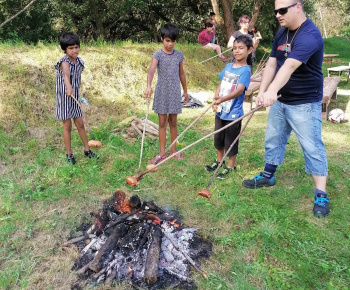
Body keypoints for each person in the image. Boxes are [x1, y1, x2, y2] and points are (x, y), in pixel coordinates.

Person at [242, 0, 329, 218]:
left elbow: (289, 65)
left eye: (282, 10)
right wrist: (263, 91)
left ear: (298, 6)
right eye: (275, 11)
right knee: (274, 138)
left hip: (305, 102)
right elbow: (272, 64)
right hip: (282, 99)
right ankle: (268, 175)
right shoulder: (282, 34)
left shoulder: (310, 34)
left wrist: (271, 91)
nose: (278, 15)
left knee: (312, 146)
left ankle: (321, 192)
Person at [205, 35, 253, 179]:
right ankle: (219, 161)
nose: (237, 51)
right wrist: (216, 99)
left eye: (241, 48)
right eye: (234, 48)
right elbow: (221, 82)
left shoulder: (245, 70)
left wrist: (222, 99)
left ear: (249, 50)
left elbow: (239, 90)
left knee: (230, 141)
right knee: (218, 138)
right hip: (221, 111)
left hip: (233, 113)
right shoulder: (228, 66)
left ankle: (230, 166)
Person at [145, 24, 189, 163]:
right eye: (167, 40)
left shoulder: (179, 55)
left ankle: (174, 151)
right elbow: (151, 70)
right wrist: (148, 86)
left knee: (173, 122)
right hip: (162, 91)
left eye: (173, 41)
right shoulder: (158, 54)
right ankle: (162, 153)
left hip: (175, 91)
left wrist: (186, 91)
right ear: (162, 39)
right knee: (162, 122)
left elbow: (181, 73)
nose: (170, 44)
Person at [55, 32, 97, 165]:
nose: (74, 50)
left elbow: (77, 77)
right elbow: (66, 76)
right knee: (67, 125)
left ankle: (87, 150)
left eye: (76, 47)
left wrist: (78, 92)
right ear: (65, 49)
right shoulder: (64, 62)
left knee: (80, 123)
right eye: (70, 48)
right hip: (65, 97)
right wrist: (68, 87)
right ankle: (69, 154)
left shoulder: (80, 62)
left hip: (75, 97)